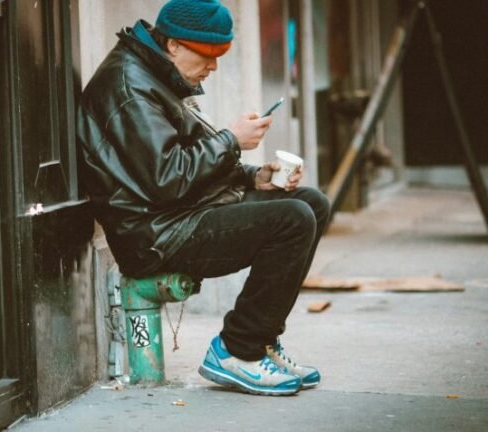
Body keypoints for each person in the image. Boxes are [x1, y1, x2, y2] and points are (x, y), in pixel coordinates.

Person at [76, 0, 331, 396]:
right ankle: (238, 350)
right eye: (208, 55)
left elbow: (183, 166)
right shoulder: (129, 87)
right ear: (174, 45)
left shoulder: (158, 74)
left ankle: (261, 338)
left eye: (220, 55)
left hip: (181, 213)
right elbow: (167, 179)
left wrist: (254, 176)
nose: (213, 66)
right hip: (154, 234)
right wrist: (231, 140)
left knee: (313, 203)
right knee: (293, 219)